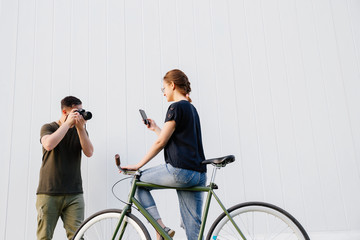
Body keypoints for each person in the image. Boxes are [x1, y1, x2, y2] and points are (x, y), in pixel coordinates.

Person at [122, 69, 207, 240]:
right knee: (194, 229)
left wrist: (138, 165)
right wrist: (155, 129)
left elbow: (161, 143)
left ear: (172, 85)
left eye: (164, 89)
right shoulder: (191, 108)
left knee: (137, 183)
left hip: (181, 172)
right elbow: (173, 140)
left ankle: (161, 229)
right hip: (198, 174)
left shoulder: (175, 107)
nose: (164, 93)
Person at [36, 96, 94, 240]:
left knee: (77, 236)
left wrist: (81, 129)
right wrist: (67, 124)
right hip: (49, 192)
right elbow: (49, 144)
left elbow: (89, 152)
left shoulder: (80, 131)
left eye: (82, 111)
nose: (80, 114)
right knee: (44, 237)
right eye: (77, 111)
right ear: (64, 112)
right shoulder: (48, 127)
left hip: (74, 194)